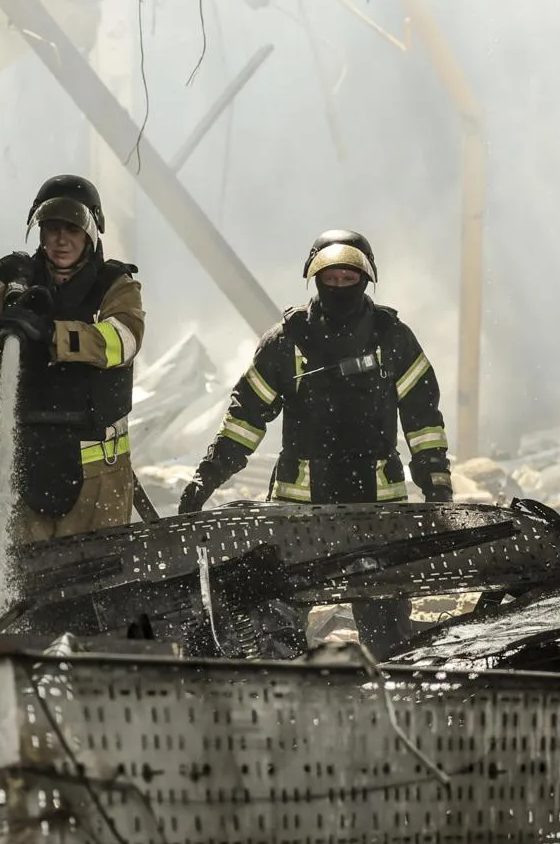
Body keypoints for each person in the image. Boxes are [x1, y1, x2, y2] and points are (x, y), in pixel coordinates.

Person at [177, 229, 452, 654]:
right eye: (331, 278)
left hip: (376, 504)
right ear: (314, 279)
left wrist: (437, 483)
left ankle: (389, 705)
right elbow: (245, 416)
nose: (340, 286)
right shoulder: (287, 341)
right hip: (299, 505)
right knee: (277, 622)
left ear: (366, 280)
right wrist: (207, 476)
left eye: (349, 277)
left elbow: (423, 417)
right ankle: (285, 703)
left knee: (387, 629)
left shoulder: (393, 338)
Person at [0, 174, 145, 543]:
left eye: (72, 229)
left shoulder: (115, 286)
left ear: (90, 233)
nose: (61, 239)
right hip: (24, 461)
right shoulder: (18, 287)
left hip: (97, 472)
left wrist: (51, 334)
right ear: (40, 232)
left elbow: (123, 342)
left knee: (98, 580)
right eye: (52, 228)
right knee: (25, 588)